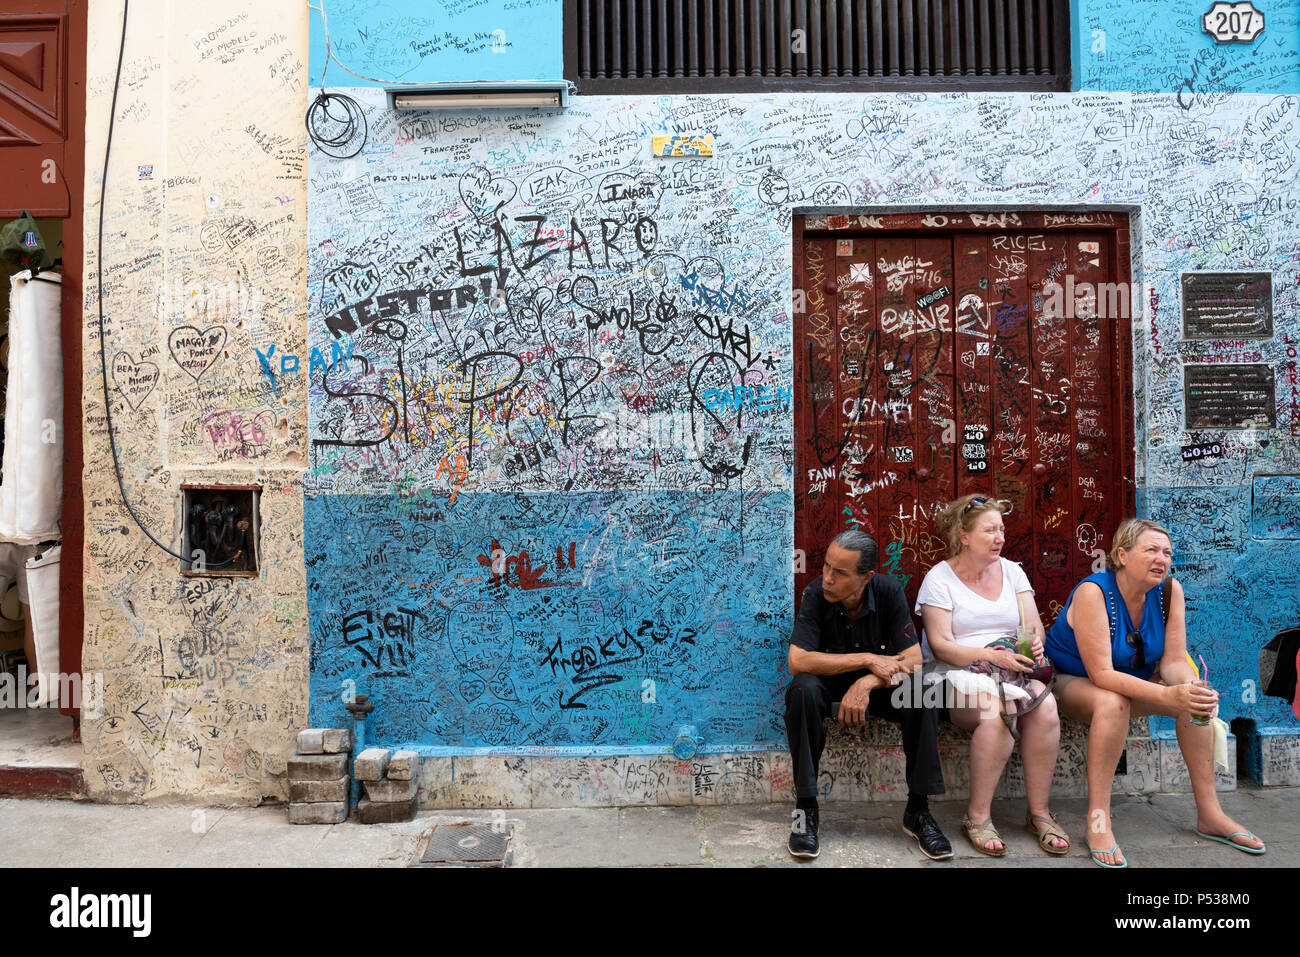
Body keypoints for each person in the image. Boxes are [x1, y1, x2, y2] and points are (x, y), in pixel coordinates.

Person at [1045, 518, 1266, 867]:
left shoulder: (1167, 592)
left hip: (1134, 682)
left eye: (1166, 552)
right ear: (1122, 554)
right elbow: (1101, 674)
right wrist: (1166, 695)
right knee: (1113, 701)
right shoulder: (1094, 592)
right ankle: (1098, 819)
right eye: (1150, 550)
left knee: (1192, 701)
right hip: (1074, 682)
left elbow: (1174, 662)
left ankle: (1210, 813)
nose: (1160, 559)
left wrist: (1190, 686)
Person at [784, 530, 952, 861]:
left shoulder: (888, 592)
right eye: (827, 567)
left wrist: (866, 682)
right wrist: (866, 659)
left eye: (840, 572)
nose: (828, 578)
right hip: (827, 686)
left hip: (880, 688)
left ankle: (918, 811)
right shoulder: (816, 593)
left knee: (923, 692)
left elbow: (914, 660)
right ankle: (805, 811)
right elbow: (798, 660)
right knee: (801, 690)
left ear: (866, 577)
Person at [916, 494, 1069, 857]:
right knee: (998, 711)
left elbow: (1033, 627)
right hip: (957, 674)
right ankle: (978, 816)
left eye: (1001, 529)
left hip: (1011, 669)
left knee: (1045, 708)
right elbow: (941, 646)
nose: (1000, 537)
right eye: (990, 530)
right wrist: (991, 656)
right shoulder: (939, 579)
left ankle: (1039, 813)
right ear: (964, 536)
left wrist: (1033, 647)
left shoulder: (1013, 571)